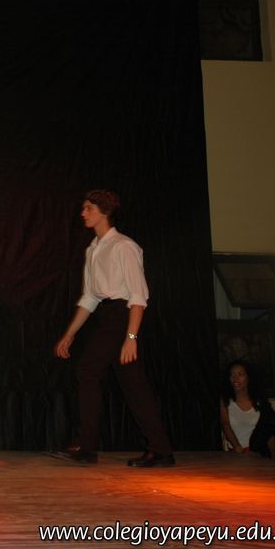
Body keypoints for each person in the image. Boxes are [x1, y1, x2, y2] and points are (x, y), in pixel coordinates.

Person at [53, 189, 174, 467]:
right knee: (133, 384)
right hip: (107, 314)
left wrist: (131, 337)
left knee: (88, 370)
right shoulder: (93, 249)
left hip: (122, 316)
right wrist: (69, 334)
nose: (83, 213)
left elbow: (138, 297)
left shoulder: (123, 246)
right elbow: (90, 298)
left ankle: (87, 446)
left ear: (104, 211)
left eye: (88, 208)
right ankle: (161, 449)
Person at [220, 360, 275, 464]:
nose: (235, 379)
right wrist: (238, 448)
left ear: (249, 377)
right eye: (232, 375)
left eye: (240, 374)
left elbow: (269, 430)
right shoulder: (225, 401)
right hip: (236, 453)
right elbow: (226, 425)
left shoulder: (259, 401)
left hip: (259, 453)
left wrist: (273, 457)